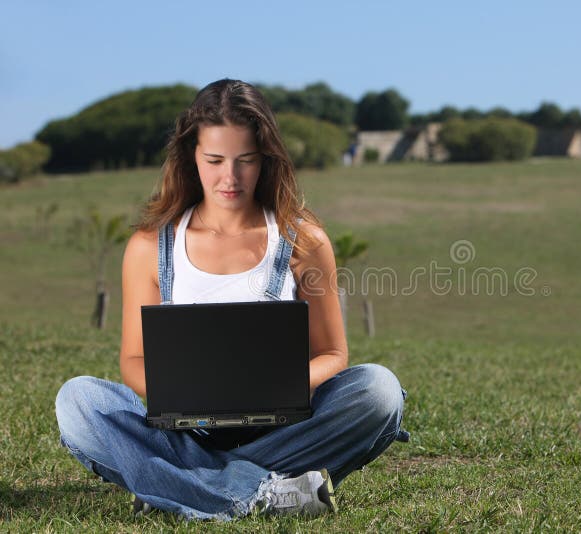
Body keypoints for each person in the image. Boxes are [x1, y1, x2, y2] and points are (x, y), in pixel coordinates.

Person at [54, 79, 408, 521]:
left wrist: (273, 383)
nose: (230, 177)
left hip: (285, 425)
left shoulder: (304, 239)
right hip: (189, 430)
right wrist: (187, 392)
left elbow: (333, 354)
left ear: (266, 160)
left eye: (245, 161)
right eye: (215, 160)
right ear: (191, 157)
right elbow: (133, 360)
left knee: (379, 391)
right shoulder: (150, 245)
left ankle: (174, 486)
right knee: (78, 401)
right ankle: (263, 492)